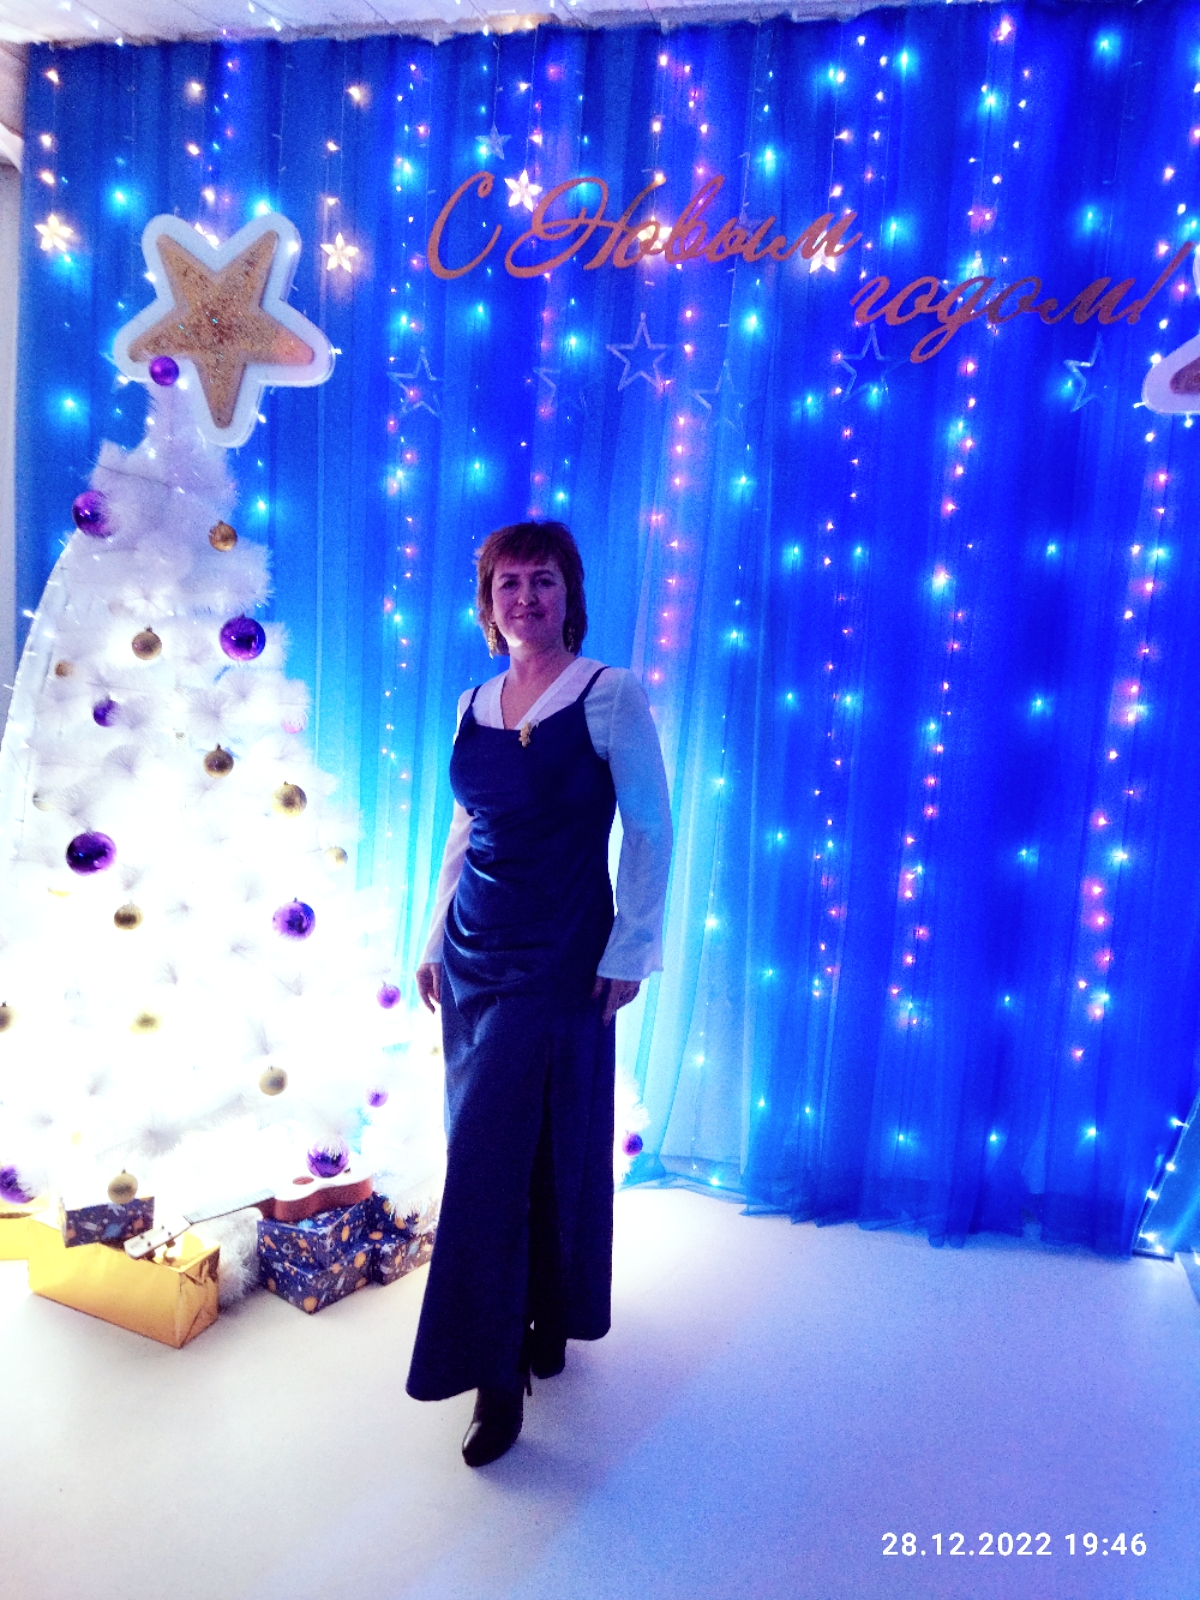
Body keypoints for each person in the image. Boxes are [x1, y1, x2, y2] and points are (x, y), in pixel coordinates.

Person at [406, 520, 672, 1467]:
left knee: (509, 1151)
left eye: (544, 580)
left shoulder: (611, 694)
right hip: (474, 953)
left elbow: (650, 829)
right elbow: (463, 831)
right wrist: (432, 938)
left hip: (561, 952)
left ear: (570, 594)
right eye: (509, 583)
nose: (526, 597)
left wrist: (631, 948)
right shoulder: (472, 702)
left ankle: (495, 1373)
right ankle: (542, 1314)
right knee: (502, 1143)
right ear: (488, 603)